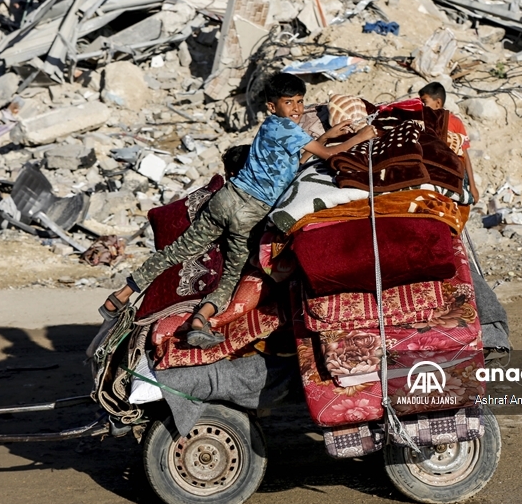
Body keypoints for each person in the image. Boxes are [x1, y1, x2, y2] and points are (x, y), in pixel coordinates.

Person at [100, 72, 378, 348]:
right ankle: (200, 321)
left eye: (299, 101)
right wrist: (361, 136)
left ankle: (118, 297)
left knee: (176, 251)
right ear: (272, 106)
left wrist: (327, 135)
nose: (296, 108)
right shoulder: (291, 129)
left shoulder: (270, 126)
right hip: (251, 212)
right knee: (232, 275)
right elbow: (328, 155)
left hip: (226, 198)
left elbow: (297, 161)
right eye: (289, 102)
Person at [418, 82, 479, 201]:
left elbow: (464, 155)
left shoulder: (455, 122)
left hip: (453, 172)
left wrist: (472, 186)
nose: (421, 106)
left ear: (438, 103)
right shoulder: (421, 121)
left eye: (424, 102)